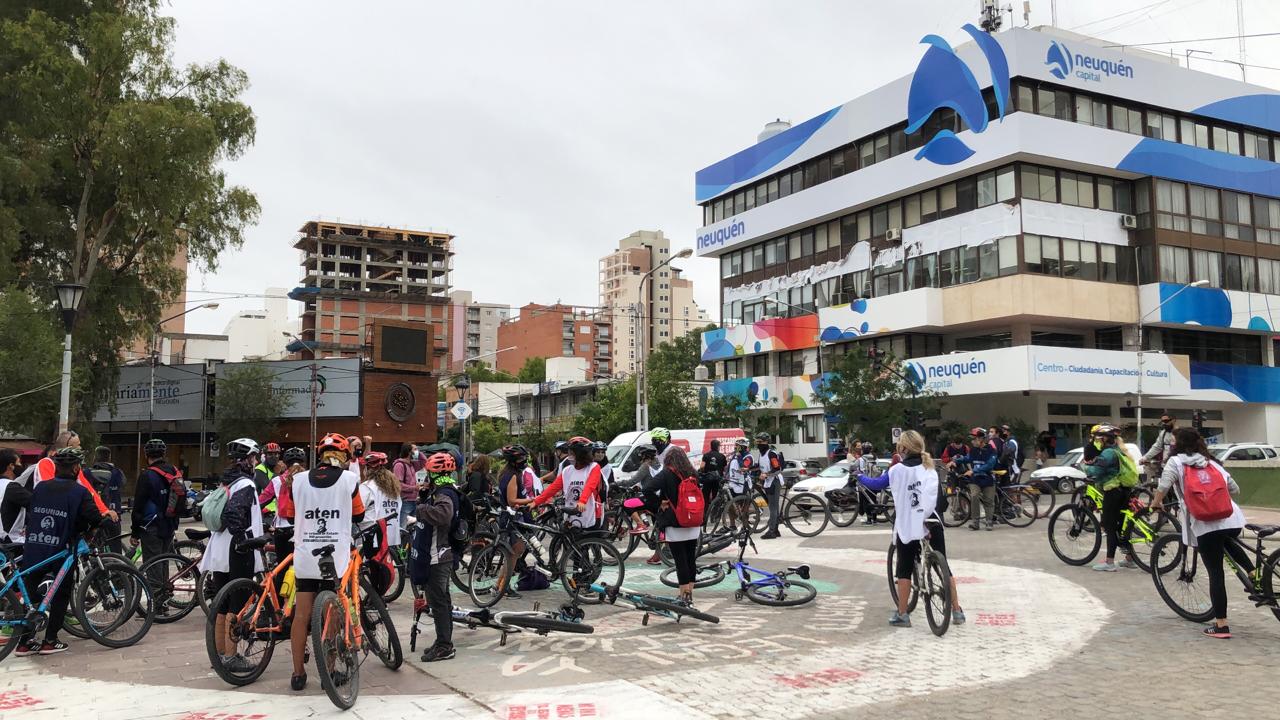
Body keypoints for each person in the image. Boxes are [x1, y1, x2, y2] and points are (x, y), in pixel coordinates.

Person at [282, 433, 364, 690]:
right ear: (344, 456)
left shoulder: (298, 480)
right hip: (335, 557)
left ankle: (297, 675)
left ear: (320, 456)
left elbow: (289, 515)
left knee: (302, 615)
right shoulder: (350, 480)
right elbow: (360, 515)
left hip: (306, 555)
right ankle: (329, 671)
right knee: (333, 614)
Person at [1153, 428, 1250, 639]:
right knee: (1226, 540)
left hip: (1205, 521)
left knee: (1216, 572)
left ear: (1177, 445)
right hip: (1231, 518)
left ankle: (1221, 626)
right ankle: (1254, 574)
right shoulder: (1211, 462)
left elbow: (1163, 485)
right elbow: (1234, 489)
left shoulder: (1176, 462)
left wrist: (1155, 503)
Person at [14, 446, 103, 656]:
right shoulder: (79, 491)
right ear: (76, 469)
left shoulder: (41, 487)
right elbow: (93, 517)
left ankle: (24, 643)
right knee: (61, 594)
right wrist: (100, 522)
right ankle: (50, 641)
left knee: (31, 594)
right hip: (61, 549)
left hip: (35, 545)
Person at [200, 438, 266, 674]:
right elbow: (234, 515)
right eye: (254, 457)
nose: (256, 462)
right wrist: (243, 540)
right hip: (236, 550)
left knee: (221, 602)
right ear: (248, 459)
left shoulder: (226, 481)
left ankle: (219, 654)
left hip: (219, 549)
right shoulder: (245, 485)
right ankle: (231, 656)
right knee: (236, 605)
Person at [886, 430, 964, 628]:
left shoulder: (898, 470)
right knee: (944, 566)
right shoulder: (931, 469)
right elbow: (940, 502)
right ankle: (956, 611)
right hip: (932, 522)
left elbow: (879, 484)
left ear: (903, 448)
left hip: (909, 525)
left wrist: (860, 477)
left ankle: (903, 615)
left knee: (903, 569)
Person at [411, 452, 461, 662]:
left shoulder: (444, 495)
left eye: (429, 473)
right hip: (441, 554)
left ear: (436, 474)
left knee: (438, 601)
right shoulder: (444, 491)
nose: (426, 477)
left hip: (438, 555)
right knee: (442, 600)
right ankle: (443, 640)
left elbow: (443, 515)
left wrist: (422, 509)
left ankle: (444, 646)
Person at [1083, 425, 1139, 571]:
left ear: (1105, 438)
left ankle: (1109, 562)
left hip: (1113, 492)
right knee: (1122, 527)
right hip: (1125, 490)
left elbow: (1097, 471)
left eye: (1098, 438)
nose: (1097, 441)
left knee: (1110, 526)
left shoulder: (1108, 453)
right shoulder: (1120, 450)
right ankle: (1130, 558)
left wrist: (1084, 467)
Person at [650, 446, 702, 606]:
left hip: (675, 523)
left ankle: (683, 596)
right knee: (690, 559)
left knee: (680, 561)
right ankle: (689, 594)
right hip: (693, 522)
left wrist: (660, 502)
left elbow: (647, 488)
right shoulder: (693, 473)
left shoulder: (666, 473)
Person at [527, 437, 603, 528]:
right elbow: (553, 488)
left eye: (572, 453)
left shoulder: (593, 467)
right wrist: (536, 501)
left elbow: (590, 486)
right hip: (569, 513)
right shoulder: (567, 470)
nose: (569, 455)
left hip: (587, 513)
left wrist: (582, 501)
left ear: (580, 454)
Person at [494, 444, 537, 599]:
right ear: (513, 460)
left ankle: (500, 585)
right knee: (513, 554)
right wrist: (531, 500)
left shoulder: (507, 473)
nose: (524, 460)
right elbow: (512, 500)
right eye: (521, 458)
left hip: (510, 516)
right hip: (512, 517)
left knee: (514, 553)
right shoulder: (512, 475)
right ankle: (502, 586)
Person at [130, 438, 180, 563]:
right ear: (164, 454)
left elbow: (138, 507)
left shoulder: (147, 475)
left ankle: (156, 584)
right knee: (164, 562)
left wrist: (135, 533)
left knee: (153, 567)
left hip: (152, 527)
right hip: (170, 524)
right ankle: (165, 583)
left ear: (146, 455)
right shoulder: (174, 471)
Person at [88, 446, 126, 553]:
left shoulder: (88, 472)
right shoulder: (117, 473)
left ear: (95, 457)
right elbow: (123, 483)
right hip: (114, 515)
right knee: (115, 549)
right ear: (109, 457)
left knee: (95, 549)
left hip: (96, 515)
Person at [959, 428, 997, 531]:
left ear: (981, 439)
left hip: (988, 478)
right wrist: (954, 461)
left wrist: (974, 471)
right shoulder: (973, 450)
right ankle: (975, 522)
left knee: (989, 501)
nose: (972, 441)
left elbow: (990, 465)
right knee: (974, 496)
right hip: (975, 480)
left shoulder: (991, 450)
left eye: (974, 439)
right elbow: (966, 458)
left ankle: (989, 522)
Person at [752, 432, 784, 539]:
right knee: (773, 506)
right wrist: (747, 469)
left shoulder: (771, 454)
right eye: (757, 442)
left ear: (766, 442)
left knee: (773, 508)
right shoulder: (761, 454)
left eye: (760, 442)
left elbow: (777, 468)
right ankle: (776, 529)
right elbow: (758, 466)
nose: (758, 444)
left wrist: (766, 474)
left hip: (774, 481)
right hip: (768, 482)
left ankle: (771, 531)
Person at [0, 448, 32, 543]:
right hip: (10, 542)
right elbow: (36, 503)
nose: (21, 466)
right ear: (11, 466)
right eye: (19, 463)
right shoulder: (12, 487)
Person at [395, 442, 420, 530]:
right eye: (415, 449)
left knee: (413, 529)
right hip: (405, 501)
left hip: (414, 501)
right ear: (409, 452)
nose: (417, 451)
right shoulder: (399, 465)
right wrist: (414, 488)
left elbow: (424, 462)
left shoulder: (411, 464)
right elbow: (399, 485)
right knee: (403, 528)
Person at [591, 441, 614, 509]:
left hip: (604, 499)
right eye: (598, 452)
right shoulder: (589, 466)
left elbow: (611, 482)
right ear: (593, 453)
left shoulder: (608, 467)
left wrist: (610, 496)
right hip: (591, 497)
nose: (600, 454)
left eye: (602, 452)